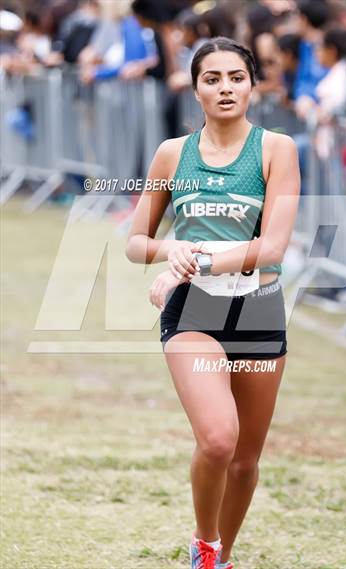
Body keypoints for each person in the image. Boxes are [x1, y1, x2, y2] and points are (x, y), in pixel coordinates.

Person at [126, 36, 300, 569]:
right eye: (212, 79)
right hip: (194, 312)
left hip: (257, 307)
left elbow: (270, 248)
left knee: (245, 461)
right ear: (194, 87)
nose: (225, 88)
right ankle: (205, 547)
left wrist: (193, 259)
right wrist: (172, 252)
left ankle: (222, 558)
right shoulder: (172, 154)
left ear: (253, 84)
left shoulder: (276, 149)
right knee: (219, 440)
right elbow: (137, 244)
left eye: (236, 77)